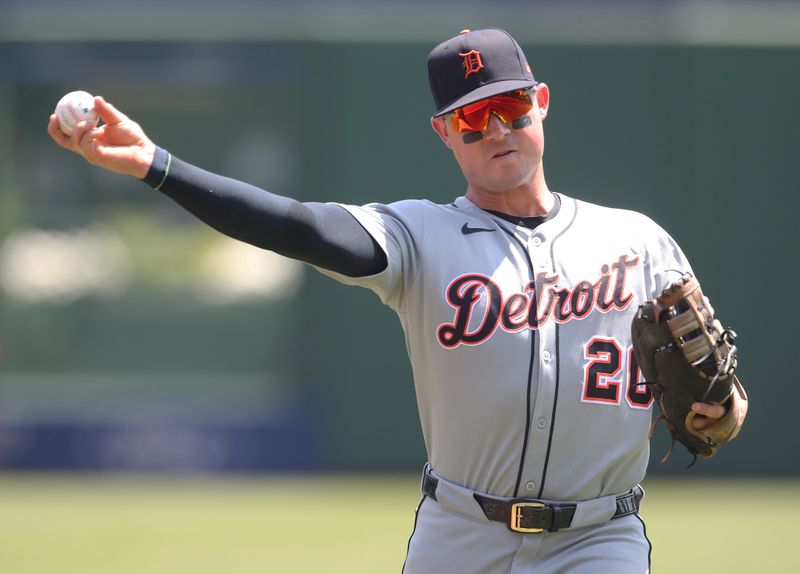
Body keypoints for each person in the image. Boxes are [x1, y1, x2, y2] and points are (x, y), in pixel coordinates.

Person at [49, 28, 739, 574]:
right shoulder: (419, 237)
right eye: (473, 118)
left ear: (542, 103)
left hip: (599, 539)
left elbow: (724, 403)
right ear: (444, 132)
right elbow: (297, 225)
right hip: (462, 535)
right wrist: (154, 164)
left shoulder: (636, 241)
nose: (496, 128)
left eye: (510, 106)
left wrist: (722, 414)